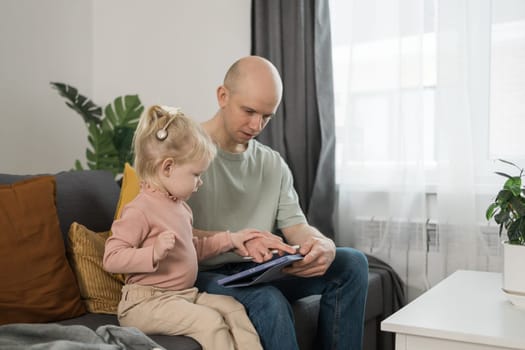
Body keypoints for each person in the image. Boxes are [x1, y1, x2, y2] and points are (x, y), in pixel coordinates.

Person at [187, 56, 369, 350]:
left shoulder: (271, 163)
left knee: (352, 263)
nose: (256, 125)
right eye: (248, 111)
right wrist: (233, 241)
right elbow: (163, 232)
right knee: (268, 299)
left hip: (256, 270)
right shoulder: (183, 149)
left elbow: (297, 227)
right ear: (223, 96)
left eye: (266, 116)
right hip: (200, 273)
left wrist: (322, 245)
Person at [103, 105, 264, 350]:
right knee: (209, 321)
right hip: (144, 304)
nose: (199, 183)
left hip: (181, 296)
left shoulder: (181, 208)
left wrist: (231, 240)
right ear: (167, 168)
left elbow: (192, 249)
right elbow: (111, 258)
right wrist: (153, 253)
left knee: (234, 308)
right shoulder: (140, 209)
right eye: (196, 174)